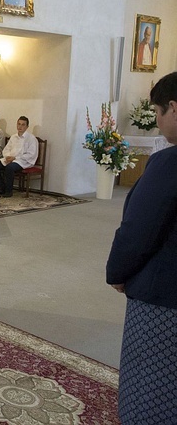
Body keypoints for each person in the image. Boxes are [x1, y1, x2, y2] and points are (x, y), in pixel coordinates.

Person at [106, 72, 177, 424]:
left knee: (151, 390)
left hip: (164, 299)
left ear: (173, 108)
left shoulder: (169, 163)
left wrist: (118, 273)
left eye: (158, 112)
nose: (158, 120)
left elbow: (138, 230)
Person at [0, 116, 38, 197]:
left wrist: (15, 158)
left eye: (23, 125)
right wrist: (7, 157)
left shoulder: (31, 138)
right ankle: (0, 187)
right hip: (10, 159)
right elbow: (6, 149)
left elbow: (31, 154)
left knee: (10, 168)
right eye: (19, 124)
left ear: (27, 127)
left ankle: (8, 191)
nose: (20, 126)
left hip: (23, 161)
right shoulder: (13, 137)